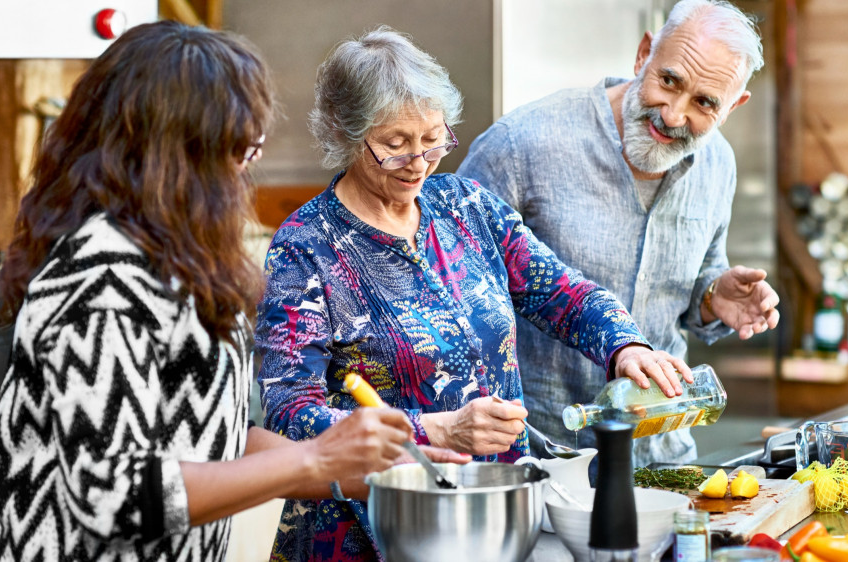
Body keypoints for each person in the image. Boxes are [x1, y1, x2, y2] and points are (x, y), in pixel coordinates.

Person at [0, 21, 464, 562]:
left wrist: (365, 471)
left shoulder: (177, 254)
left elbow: (214, 434)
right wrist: (317, 462)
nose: (243, 173)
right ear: (176, 154)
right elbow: (113, 494)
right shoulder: (103, 271)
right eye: (238, 151)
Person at [254, 25, 691, 561]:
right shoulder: (307, 247)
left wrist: (625, 345)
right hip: (369, 531)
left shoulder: (465, 206)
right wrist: (433, 430)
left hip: (492, 517)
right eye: (394, 146)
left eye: (434, 138)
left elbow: (562, 292)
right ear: (347, 136)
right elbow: (288, 412)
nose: (419, 161)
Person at [457, 0, 780, 466]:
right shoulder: (522, 143)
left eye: (704, 102)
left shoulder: (718, 164)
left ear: (732, 107)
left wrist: (711, 296)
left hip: (662, 457)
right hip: (544, 458)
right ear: (643, 54)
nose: (672, 115)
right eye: (668, 81)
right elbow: (449, 292)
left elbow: (696, 280)